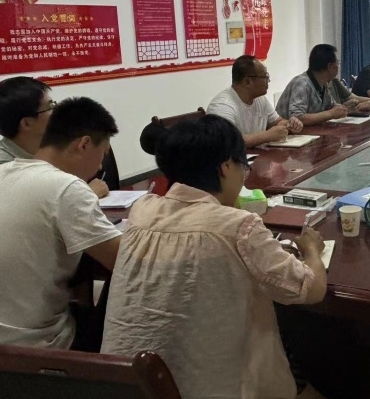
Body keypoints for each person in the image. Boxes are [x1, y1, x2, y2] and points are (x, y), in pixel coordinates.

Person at [101, 115, 327, 399]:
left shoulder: (142, 210)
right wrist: (311, 251)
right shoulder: (238, 226)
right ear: (225, 167)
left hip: (121, 384)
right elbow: (311, 289)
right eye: (243, 167)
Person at [0, 97, 121, 350]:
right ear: (84, 144)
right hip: (35, 346)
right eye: (102, 154)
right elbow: (124, 261)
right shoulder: (66, 187)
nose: (101, 166)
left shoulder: (6, 170)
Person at [0, 76, 109, 197]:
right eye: (50, 107)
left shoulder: (55, 146)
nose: (57, 112)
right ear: (26, 123)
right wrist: (88, 193)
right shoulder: (5, 169)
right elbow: (38, 202)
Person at [207, 55, 303, 148]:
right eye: (265, 76)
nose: (268, 80)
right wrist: (267, 136)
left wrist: (290, 124)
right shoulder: (222, 105)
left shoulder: (259, 98)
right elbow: (229, 142)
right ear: (247, 81)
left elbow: (278, 122)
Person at [276, 44, 370, 126]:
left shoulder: (324, 83)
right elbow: (297, 117)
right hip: (289, 137)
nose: (338, 66)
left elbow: (333, 107)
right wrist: (330, 114)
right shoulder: (302, 84)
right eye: (337, 63)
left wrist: (355, 107)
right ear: (330, 66)